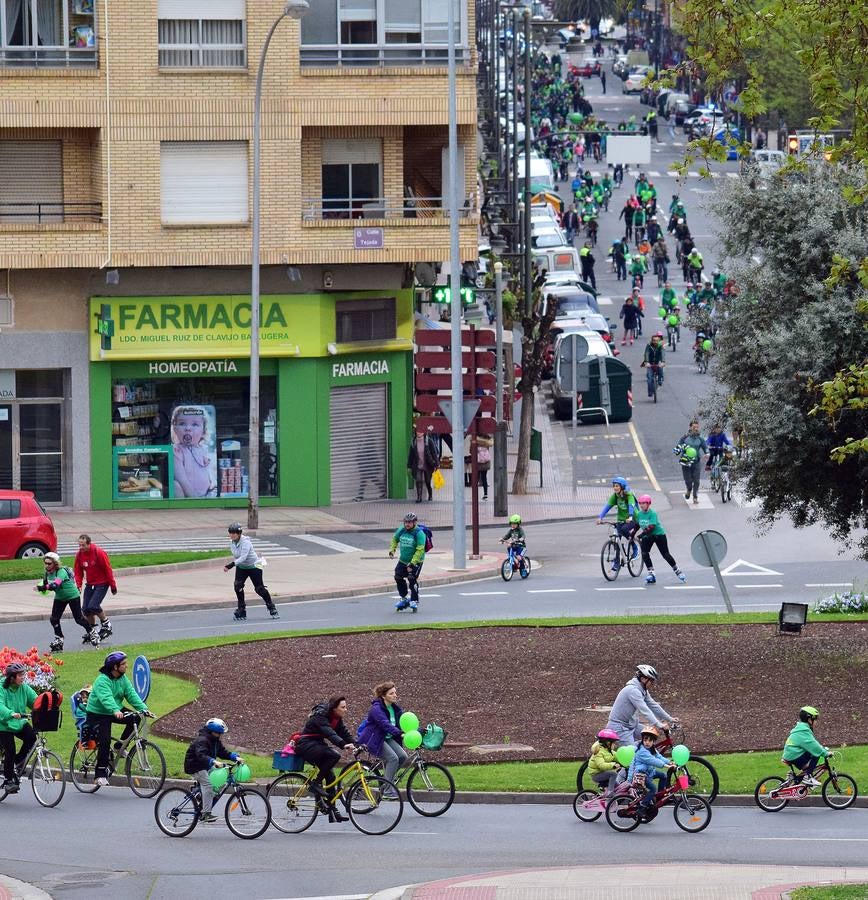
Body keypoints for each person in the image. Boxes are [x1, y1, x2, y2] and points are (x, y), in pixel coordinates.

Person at [85, 651, 153, 786]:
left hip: (115, 709)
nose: (126, 666)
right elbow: (106, 698)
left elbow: (131, 694)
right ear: (115, 667)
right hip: (98, 713)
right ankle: (99, 775)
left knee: (136, 718)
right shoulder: (102, 681)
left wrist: (144, 709)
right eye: (123, 664)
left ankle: (119, 746)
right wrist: (115, 710)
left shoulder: (122, 679)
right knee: (104, 741)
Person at [294, 696, 355, 823]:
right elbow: (329, 733)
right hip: (306, 744)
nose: (346, 709)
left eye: (345, 706)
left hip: (317, 745)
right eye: (343, 707)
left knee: (331, 777)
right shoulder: (320, 715)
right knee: (334, 755)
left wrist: (357, 744)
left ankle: (332, 810)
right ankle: (315, 783)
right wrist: (343, 744)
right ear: (334, 708)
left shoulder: (337, 718)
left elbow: (343, 733)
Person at [183, 717, 243, 823]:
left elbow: (223, 752)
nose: (220, 735)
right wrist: (213, 761)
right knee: (208, 785)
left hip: (205, 765)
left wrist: (234, 757)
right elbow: (201, 755)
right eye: (218, 733)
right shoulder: (202, 740)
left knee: (220, 779)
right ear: (212, 731)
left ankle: (201, 795)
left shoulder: (215, 741)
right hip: (195, 766)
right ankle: (205, 814)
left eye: (221, 733)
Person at [37, 551, 97, 652]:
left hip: (72, 596)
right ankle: (59, 638)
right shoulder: (46, 573)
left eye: (49, 563)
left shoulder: (61, 571)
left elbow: (56, 585)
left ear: (55, 563)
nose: (47, 565)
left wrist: (44, 587)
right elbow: (46, 585)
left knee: (78, 619)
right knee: (54, 619)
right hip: (60, 597)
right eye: (45, 563)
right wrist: (41, 588)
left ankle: (92, 632)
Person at [605, 664, 677, 744]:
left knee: (650, 736)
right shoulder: (633, 691)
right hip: (620, 727)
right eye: (651, 681)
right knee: (632, 753)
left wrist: (669, 718)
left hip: (632, 726)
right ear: (643, 679)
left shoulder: (643, 690)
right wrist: (659, 724)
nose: (652, 684)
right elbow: (645, 710)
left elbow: (653, 705)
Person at [360, 682, 407, 800]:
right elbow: (384, 724)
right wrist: (399, 733)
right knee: (393, 758)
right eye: (391, 693)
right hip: (374, 739)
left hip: (386, 738)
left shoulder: (394, 708)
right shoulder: (376, 709)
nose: (395, 695)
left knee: (403, 756)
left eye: (395, 693)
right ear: (383, 696)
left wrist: (419, 731)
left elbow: (404, 722)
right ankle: (387, 790)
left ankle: (387, 781)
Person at [224, 523, 278, 621]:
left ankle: (271, 607)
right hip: (242, 567)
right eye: (230, 533)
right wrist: (235, 564)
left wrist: (230, 565)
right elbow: (237, 556)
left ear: (239, 533)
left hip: (254, 566)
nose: (232, 535)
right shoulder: (231, 542)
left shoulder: (246, 542)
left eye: (234, 533)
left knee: (259, 589)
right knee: (238, 586)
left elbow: (243, 557)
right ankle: (242, 609)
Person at [0, 662, 37, 794]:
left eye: (23, 674)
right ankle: (9, 780)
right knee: (10, 749)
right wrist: (10, 713)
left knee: (32, 736)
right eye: (20, 675)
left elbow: (35, 701)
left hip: (19, 722)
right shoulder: (2, 687)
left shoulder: (24, 688)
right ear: (11, 677)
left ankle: (18, 761)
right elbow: (0, 705)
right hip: (3, 724)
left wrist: (45, 707)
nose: (23, 677)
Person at [73, 534, 116, 641]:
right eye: (79, 545)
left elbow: (108, 569)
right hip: (90, 584)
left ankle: (106, 624)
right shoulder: (79, 555)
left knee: (93, 606)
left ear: (89, 543)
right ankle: (92, 630)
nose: (81, 548)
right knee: (86, 609)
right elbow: (78, 572)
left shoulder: (98, 553)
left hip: (102, 583)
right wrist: (78, 585)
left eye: (83, 545)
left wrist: (112, 585)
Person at [635, 495, 686, 585]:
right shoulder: (639, 514)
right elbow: (637, 525)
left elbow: (651, 527)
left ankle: (677, 570)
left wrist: (641, 535)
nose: (641, 505)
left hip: (659, 535)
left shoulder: (653, 513)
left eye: (643, 503)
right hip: (647, 536)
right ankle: (651, 574)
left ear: (648, 504)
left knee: (665, 554)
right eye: (640, 503)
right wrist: (631, 535)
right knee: (644, 554)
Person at [627, 725, 676, 812]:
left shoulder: (652, 749)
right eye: (645, 739)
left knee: (663, 776)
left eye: (650, 740)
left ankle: (659, 796)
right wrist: (666, 766)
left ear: (653, 742)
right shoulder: (642, 751)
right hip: (641, 774)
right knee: (653, 789)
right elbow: (652, 760)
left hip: (649, 772)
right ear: (642, 740)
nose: (647, 742)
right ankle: (642, 807)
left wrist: (669, 762)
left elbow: (659, 757)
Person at [171, 405, 216, 498]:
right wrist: (194, 498)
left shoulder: (203, 449)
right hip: (189, 497)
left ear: (204, 431)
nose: (188, 428)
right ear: (175, 428)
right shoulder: (176, 451)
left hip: (207, 493)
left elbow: (209, 472)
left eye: (194, 424)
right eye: (182, 423)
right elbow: (182, 479)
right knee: (175, 485)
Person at [596, 477, 639, 572]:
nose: (615, 488)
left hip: (633, 518)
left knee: (624, 530)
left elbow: (631, 505)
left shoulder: (629, 495)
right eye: (614, 486)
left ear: (622, 487)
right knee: (616, 540)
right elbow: (607, 507)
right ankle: (616, 562)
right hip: (621, 519)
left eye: (617, 486)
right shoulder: (615, 496)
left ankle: (634, 546)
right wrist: (600, 517)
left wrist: (631, 516)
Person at [782, 706, 831, 787]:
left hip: (791, 754)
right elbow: (814, 747)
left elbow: (812, 743)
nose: (816, 722)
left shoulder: (801, 728)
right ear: (809, 719)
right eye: (815, 719)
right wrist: (825, 753)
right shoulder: (803, 731)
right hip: (794, 755)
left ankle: (794, 778)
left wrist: (822, 749)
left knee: (812, 754)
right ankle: (808, 777)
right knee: (816, 754)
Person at [389, 512, 426, 612]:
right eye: (405, 522)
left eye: (409, 522)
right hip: (403, 560)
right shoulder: (402, 530)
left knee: (411, 578)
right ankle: (404, 598)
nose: (407, 524)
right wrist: (392, 550)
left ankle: (414, 600)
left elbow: (420, 549)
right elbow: (395, 539)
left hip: (416, 560)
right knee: (398, 576)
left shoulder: (419, 533)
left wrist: (413, 563)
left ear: (414, 523)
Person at [674, 421, 707, 503]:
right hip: (686, 462)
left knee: (696, 480)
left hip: (696, 462)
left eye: (697, 427)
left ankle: (695, 496)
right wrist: (678, 450)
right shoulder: (684, 438)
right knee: (688, 480)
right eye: (694, 427)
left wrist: (707, 453)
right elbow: (678, 447)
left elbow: (705, 448)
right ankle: (689, 489)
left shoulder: (700, 439)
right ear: (690, 427)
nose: (696, 429)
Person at [407, 424, 440, 503]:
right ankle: (419, 497)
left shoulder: (429, 441)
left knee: (428, 481)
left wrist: (437, 464)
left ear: (424, 432)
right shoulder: (413, 442)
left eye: (421, 431)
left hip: (428, 464)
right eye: (417, 431)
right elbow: (411, 455)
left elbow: (434, 453)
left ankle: (430, 495)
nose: (418, 432)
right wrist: (409, 465)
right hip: (417, 464)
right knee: (418, 480)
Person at [588, 728, 621, 795]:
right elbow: (601, 765)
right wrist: (613, 765)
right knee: (613, 774)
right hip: (596, 774)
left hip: (602, 773)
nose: (615, 745)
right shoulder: (599, 752)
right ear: (608, 743)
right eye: (614, 743)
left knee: (618, 787)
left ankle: (610, 802)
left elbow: (617, 757)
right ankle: (610, 792)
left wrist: (626, 764)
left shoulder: (609, 751)